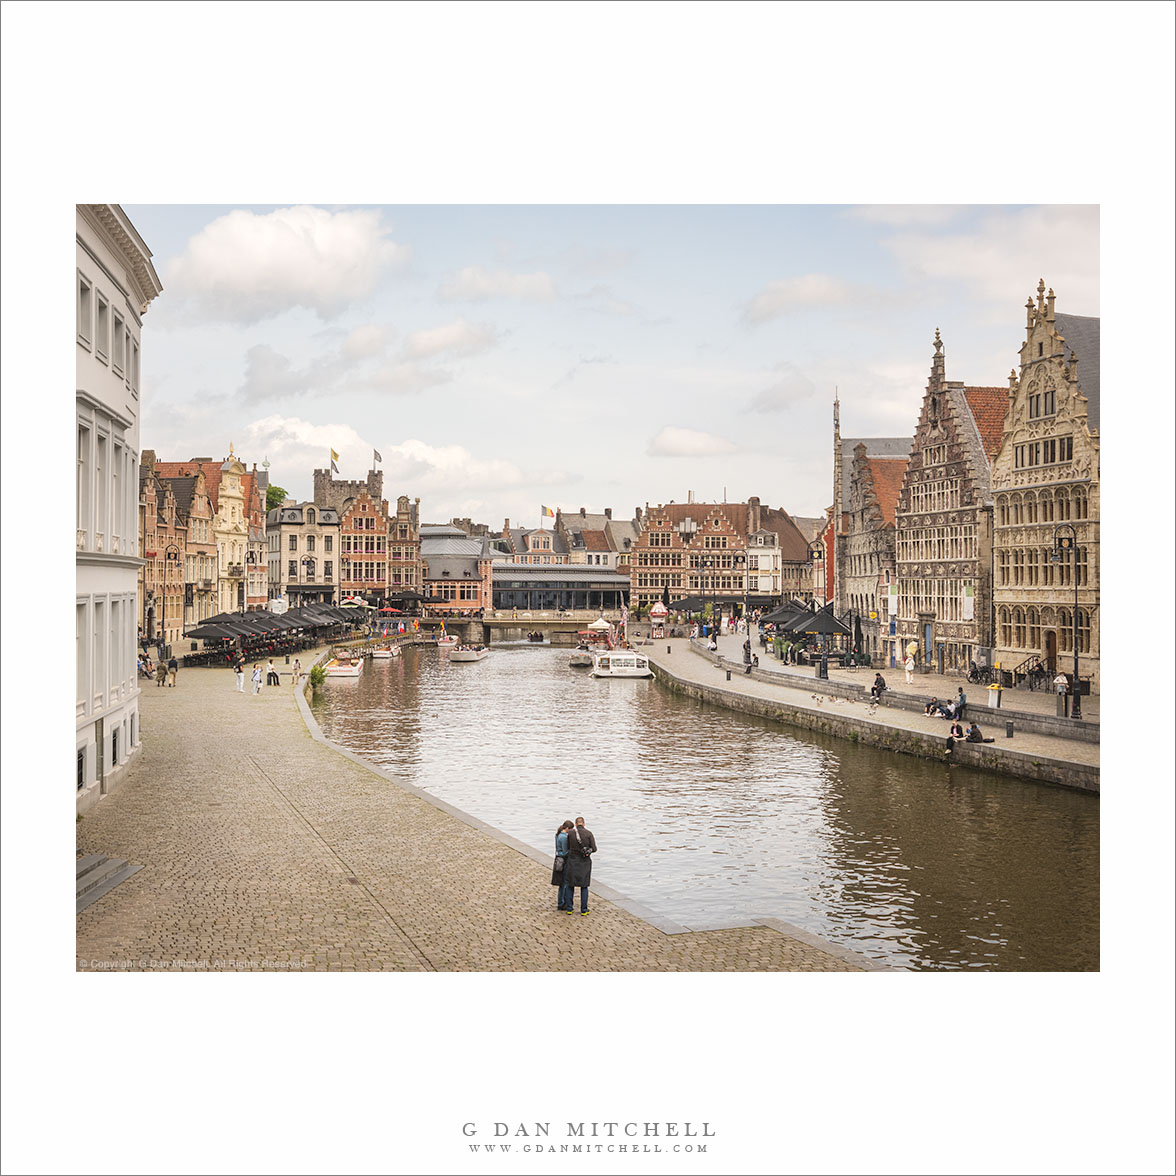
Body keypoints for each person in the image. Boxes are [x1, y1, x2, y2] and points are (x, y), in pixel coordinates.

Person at [564, 816, 597, 915]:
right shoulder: (589, 834)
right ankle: (584, 909)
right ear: (584, 824)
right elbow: (594, 848)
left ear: (575, 824)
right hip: (584, 862)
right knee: (584, 886)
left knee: (570, 885)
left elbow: (567, 847)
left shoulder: (570, 833)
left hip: (572, 861)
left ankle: (569, 908)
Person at [553, 820, 574, 912]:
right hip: (563, 860)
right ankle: (563, 902)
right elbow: (565, 851)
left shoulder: (558, 835)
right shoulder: (564, 837)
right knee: (565, 882)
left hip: (558, 859)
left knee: (561, 883)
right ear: (567, 828)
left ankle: (560, 902)